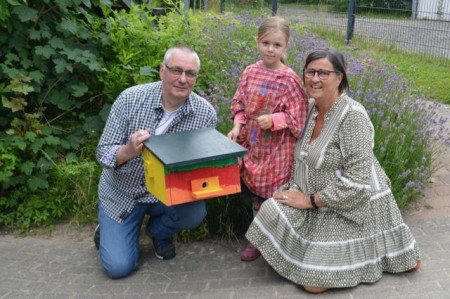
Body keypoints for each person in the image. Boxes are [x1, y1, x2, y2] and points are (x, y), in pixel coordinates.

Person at [244, 47, 421, 293]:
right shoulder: (308, 108)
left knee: (313, 285)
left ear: (339, 78)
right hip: (312, 194)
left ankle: (375, 252)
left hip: (350, 204)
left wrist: (310, 201)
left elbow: (358, 182)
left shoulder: (353, 117)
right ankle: (312, 256)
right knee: (271, 209)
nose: (315, 79)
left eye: (324, 73)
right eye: (310, 72)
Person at [95, 46, 218, 279]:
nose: (183, 79)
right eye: (176, 70)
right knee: (119, 268)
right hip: (123, 193)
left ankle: (158, 232)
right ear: (162, 70)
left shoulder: (204, 113)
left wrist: (222, 162)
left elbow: (203, 164)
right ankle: (108, 228)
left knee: (194, 211)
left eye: (190, 73)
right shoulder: (130, 99)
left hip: (167, 194)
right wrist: (128, 150)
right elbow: (103, 153)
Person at [227, 16, 308, 262]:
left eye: (276, 45)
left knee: (270, 196)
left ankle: (272, 241)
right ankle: (257, 237)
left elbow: (299, 117)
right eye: (266, 43)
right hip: (251, 143)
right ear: (257, 42)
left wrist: (275, 120)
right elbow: (239, 102)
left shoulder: (290, 79)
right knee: (253, 194)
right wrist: (236, 125)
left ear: (286, 46)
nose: (270, 49)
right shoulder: (250, 72)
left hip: (276, 150)